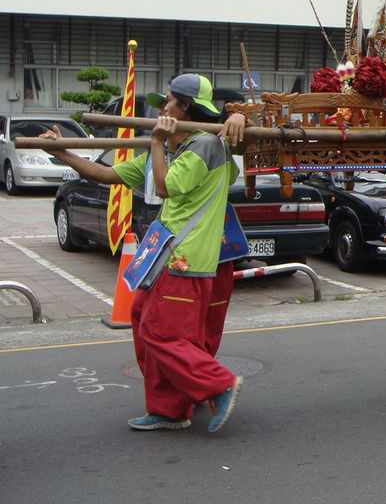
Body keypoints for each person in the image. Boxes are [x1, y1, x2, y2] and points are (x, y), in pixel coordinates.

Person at [41, 74, 247, 433]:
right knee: (142, 318)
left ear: (185, 108)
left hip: (184, 258)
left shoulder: (206, 145)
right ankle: (170, 408)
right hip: (164, 256)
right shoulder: (169, 151)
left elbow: (167, 186)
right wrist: (63, 153)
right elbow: (105, 174)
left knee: (162, 333)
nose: (161, 108)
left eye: (168, 101)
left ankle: (217, 383)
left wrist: (237, 118)